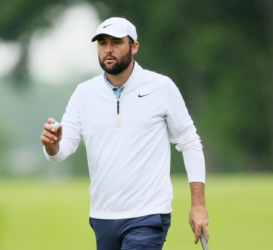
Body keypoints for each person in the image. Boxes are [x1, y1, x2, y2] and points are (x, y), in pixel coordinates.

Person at [40, 17, 209, 250]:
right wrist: (52, 145)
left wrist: (198, 204)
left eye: (116, 42)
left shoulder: (161, 87)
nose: (108, 50)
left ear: (134, 46)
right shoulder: (84, 93)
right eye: (102, 43)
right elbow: (61, 149)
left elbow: (190, 142)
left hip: (148, 215)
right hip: (102, 216)